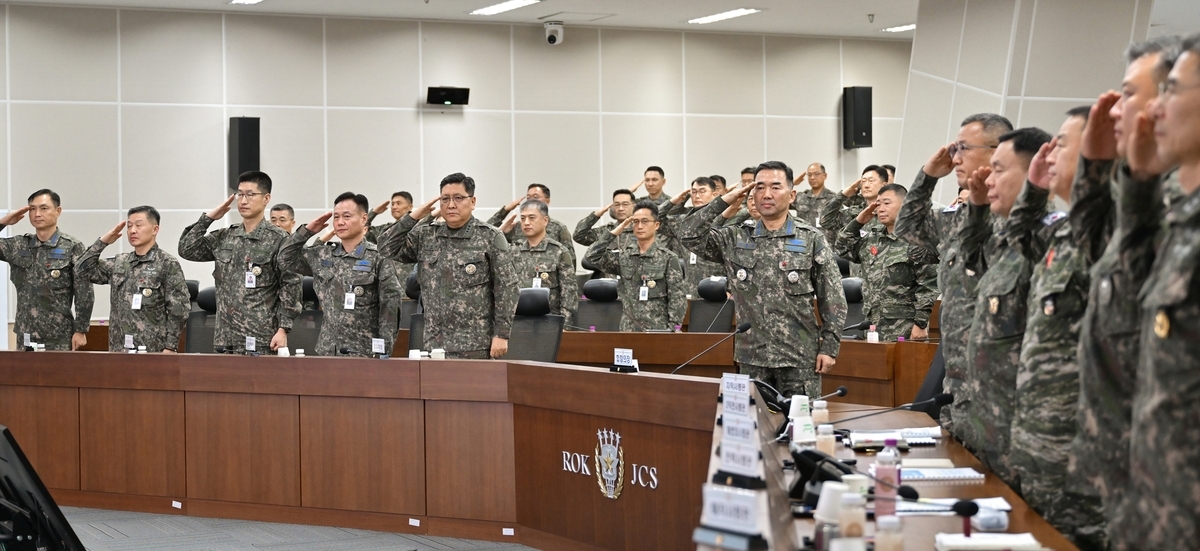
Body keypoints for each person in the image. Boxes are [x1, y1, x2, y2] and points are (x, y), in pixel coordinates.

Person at [1067, 37, 1184, 545]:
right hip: (1129, 476)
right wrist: (1097, 170)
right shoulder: (1151, 204)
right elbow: (1095, 250)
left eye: (1130, 93)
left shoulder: (1175, 210)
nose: (1114, 108)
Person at [1000, 107, 1105, 548]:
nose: (1049, 150)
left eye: (1063, 142)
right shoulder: (1064, 234)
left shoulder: (1108, 232)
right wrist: (1036, 190)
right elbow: (1015, 239)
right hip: (1036, 442)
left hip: (1077, 455)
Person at [1123, 34, 1200, 550]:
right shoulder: (1179, 221)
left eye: (1170, 89)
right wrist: (1139, 176)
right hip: (1157, 511)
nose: (1153, 109)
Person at [680, 161, 847, 398]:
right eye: (759, 187)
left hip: (798, 358)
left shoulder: (811, 239)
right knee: (753, 430)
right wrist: (724, 201)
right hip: (751, 358)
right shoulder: (735, 237)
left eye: (775, 187)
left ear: (792, 195)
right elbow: (688, 234)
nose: (766, 194)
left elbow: (833, 299)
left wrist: (830, 347)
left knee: (798, 429)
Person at [894, 112, 1014, 438]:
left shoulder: (1018, 222)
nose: (955, 158)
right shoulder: (957, 218)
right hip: (956, 385)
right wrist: (928, 175)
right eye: (954, 149)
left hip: (999, 391)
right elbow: (906, 227)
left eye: (963, 148)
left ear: (999, 151)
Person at [959, 126, 1053, 488]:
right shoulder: (1003, 240)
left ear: (1034, 173)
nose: (987, 179)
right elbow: (970, 267)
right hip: (987, 422)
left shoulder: (1047, 241)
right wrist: (978, 209)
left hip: (1024, 431)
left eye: (1000, 169)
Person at [379, 173, 519, 359]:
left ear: (473, 201)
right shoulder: (427, 235)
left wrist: (501, 334)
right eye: (445, 199)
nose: (451, 205)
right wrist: (415, 216)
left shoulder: (490, 237)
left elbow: (507, 288)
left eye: (459, 198)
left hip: (476, 345)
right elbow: (386, 247)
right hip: (434, 345)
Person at [179, 171, 302, 354]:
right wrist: (208, 218)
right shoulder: (225, 236)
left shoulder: (279, 240)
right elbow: (187, 249)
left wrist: (283, 329)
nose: (243, 201)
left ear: (266, 198)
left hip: (261, 337)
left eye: (250, 194)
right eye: (240, 194)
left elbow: (291, 286)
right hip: (225, 338)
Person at [279, 192, 402, 357]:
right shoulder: (323, 255)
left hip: (364, 353)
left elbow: (390, 310)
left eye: (347, 216)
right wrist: (307, 231)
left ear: (364, 219)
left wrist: (383, 352)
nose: (340, 222)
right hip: (328, 350)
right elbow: (284, 259)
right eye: (336, 217)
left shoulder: (379, 257)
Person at [76, 206, 190, 353]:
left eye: (139, 225)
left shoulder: (167, 263)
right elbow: (81, 270)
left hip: (152, 351)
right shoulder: (120, 262)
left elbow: (179, 309)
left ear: (155, 229)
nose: (132, 230)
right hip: (118, 350)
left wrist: (170, 347)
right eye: (129, 226)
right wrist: (103, 242)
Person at [833, 184, 937, 341]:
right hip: (872, 326)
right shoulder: (872, 240)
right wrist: (859, 221)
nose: (880, 208)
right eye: (878, 204)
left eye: (887, 203)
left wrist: (921, 324)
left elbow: (928, 285)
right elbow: (842, 248)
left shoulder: (918, 241)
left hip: (905, 328)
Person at [0, 190, 93, 350]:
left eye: (44, 208)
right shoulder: (18, 245)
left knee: (58, 376)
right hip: (26, 334)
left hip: (58, 335)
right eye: (32, 209)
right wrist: (3, 222)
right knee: (25, 376)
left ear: (58, 211)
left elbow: (84, 291)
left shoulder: (72, 246)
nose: (37, 214)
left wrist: (81, 329)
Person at [583, 200, 685, 332]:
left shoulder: (668, 258)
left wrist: (673, 329)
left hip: (657, 329)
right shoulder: (624, 257)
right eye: (635, 222)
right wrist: (614, 233)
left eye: (645, 221)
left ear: (656, 225)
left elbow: (677, 299)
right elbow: (592, 256)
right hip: (628, 329)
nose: (640, 226)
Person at [509, 200, 578, 324]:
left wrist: (565, 326)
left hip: (549, 321)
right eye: (523, 218)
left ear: (545, 220)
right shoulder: (513, 251)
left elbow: (569, 293)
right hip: (517, 321)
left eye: (532, 218)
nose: (526, 223)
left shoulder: (559, 252)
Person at [658, 177, 726, 292]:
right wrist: (672, 202)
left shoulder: (725, 218)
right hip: (690, 291)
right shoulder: (684, 222)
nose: (697, 195)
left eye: (702, 191)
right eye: (694, 192)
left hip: (718, 289)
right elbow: (655, 220)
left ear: (714, 194)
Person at [488, 183, 575, 268]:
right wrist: (505, 211)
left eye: (536, 197)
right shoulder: (518, 226)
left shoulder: (559, 228)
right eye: (528, 197)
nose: (531, 200)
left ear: (547, 201)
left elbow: (570, 261)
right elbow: (484, 235)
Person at [819, 165, 888, 250]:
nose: (866, 185)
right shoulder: (853, 213)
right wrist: (843, 195)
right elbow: (825, 221)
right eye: (863, 181)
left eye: (871, 181)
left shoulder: (891, 213)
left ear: (884, 185)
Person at [573, 188, 637, 278]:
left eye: (625, 204)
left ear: (634, 206)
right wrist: (596, 215)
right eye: (617, 205)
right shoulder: (605, 231)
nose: (621, 208)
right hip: (608, 286)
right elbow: (578, 236)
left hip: (634, 285)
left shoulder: (641, 231)